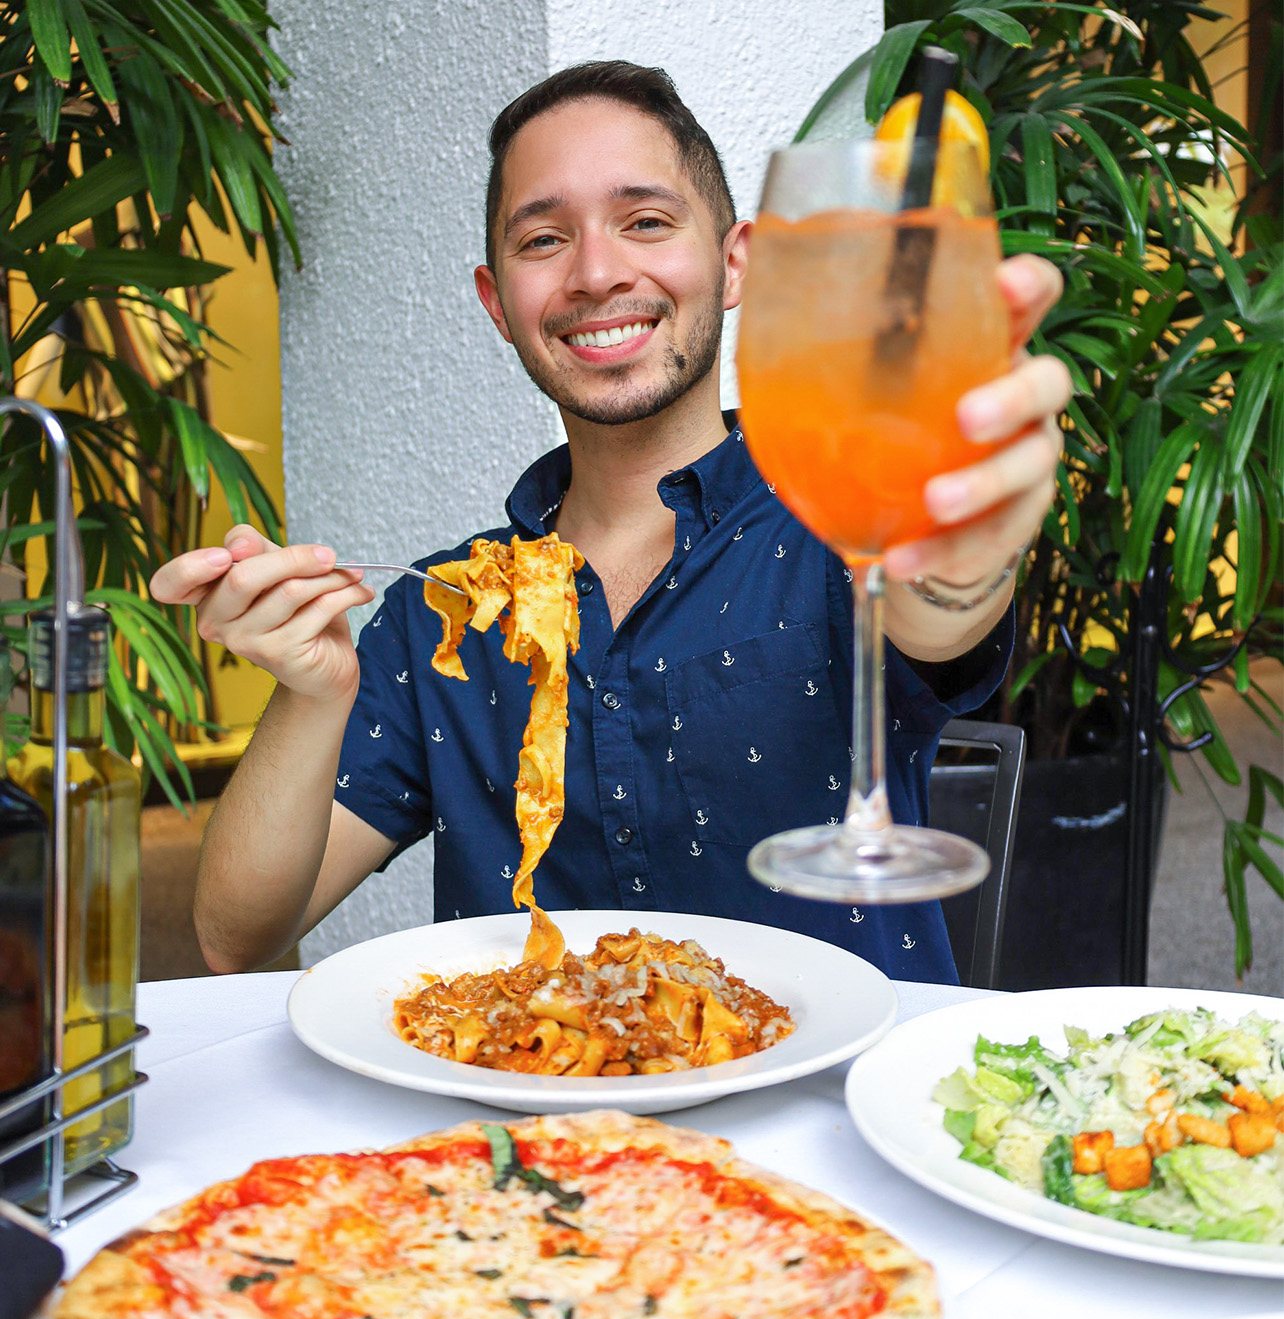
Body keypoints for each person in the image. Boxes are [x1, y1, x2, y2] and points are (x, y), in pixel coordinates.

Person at [151, 61, 1071, 981]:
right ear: (496, 302)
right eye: (544, 239)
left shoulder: (841, 523)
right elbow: (238, 938)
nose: (596, 273)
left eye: (646, 222)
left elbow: (938, 603)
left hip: (841, 1108)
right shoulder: (445, 611)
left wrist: (964, 546)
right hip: (538, 1117)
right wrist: (311, 692)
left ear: (735, 260)